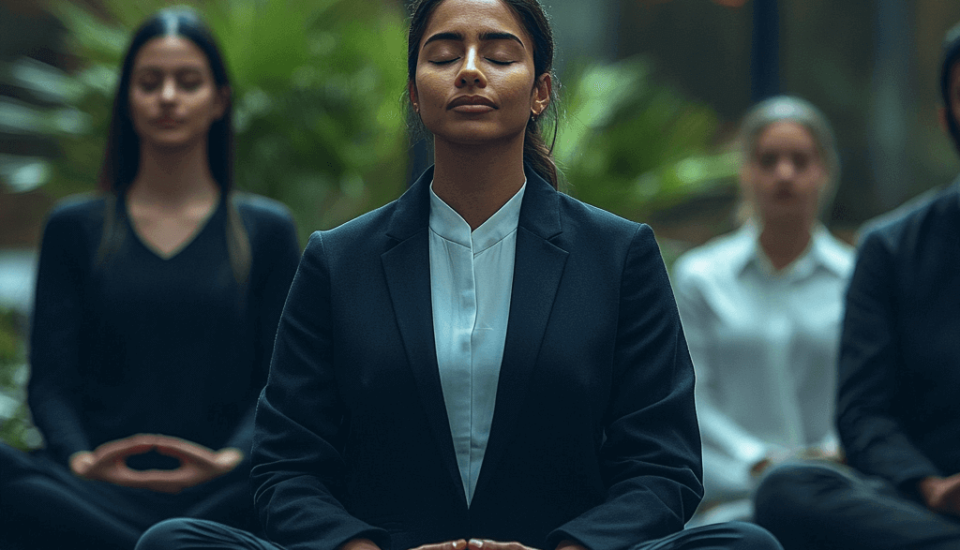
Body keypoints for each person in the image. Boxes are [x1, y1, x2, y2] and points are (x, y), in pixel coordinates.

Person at [135, 1, 782, 550]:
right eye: (445, 54)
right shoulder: (339, 258)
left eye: (498, 54)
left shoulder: (619, 254)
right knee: (172, 542)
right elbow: (285, 465)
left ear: (540, 91)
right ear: (416, 93)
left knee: (745, 544)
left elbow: (662, 465)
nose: (470, 71)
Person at [0, 8, 300, 550]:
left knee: (289, 487)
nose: (167, 96)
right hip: (95, 487)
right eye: (149, 82)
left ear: (219, 101)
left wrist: (229, 458)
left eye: (187, 82)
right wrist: (82, 459)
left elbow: (279, 384)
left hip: (222, 488)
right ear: (127, 99)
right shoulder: (75, 227)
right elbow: (49, 381)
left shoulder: (266, 230)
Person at [751, 22, 960, 550]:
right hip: (924, 504)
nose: (785, 174)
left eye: (801, 160)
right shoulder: (891, 248)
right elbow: (863, 414)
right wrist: (930, 486)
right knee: (789, 487)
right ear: (944, 117)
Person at [670, 96, 853, 525]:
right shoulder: (701, 277)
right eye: (768, 160)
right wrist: (756, 461)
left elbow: (865, 393)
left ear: (824, 171)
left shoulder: (856, 277)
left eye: (800, 160)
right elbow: (691, 394)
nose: (783, 174)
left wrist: (828, 456)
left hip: (836, 494)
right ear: (745, 171)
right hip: (730, 498)